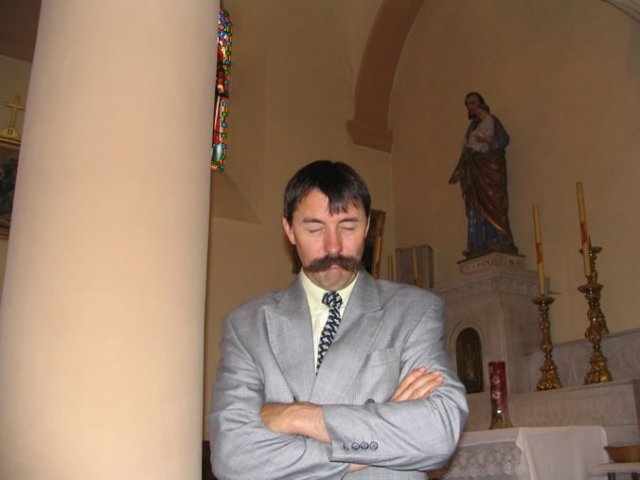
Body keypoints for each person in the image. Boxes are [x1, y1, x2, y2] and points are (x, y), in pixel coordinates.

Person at [208, 160, 468, 479]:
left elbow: (437, 433)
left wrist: (297, 416)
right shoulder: (247, 326)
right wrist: (380, 438)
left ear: (367, 227)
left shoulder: (414, 311)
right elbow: (232, 455)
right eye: (314, 228)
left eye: (348, 227)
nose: (333, 246)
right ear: (289, 230)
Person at [449, 92, 518, 259]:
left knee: (493, 202)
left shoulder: (492, 121)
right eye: (467, 104)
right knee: (475, 203)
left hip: (489, 169)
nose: (470, 107)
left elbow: (503, 140)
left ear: (481, 104)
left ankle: (499, 239)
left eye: (473, 103)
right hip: (474, 171)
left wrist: (488, 143)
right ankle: (478, 244)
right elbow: (467, 150)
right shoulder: (471, 129)